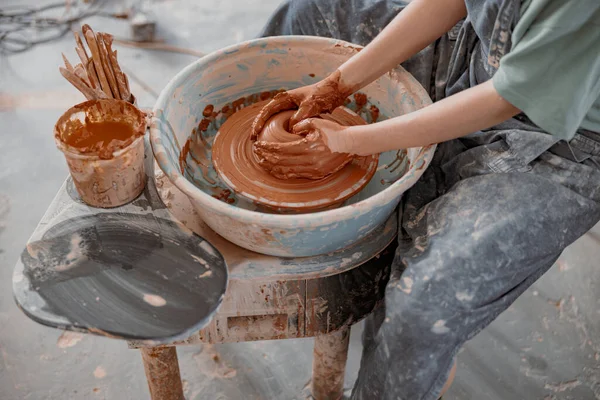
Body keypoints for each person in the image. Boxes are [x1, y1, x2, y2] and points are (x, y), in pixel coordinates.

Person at [251, 0, 600, 399]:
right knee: (312, 12)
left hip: (561, 147)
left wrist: (350, 141)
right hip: (475, 57)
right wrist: (334, 86)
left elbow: (509, 95)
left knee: (421, 311)